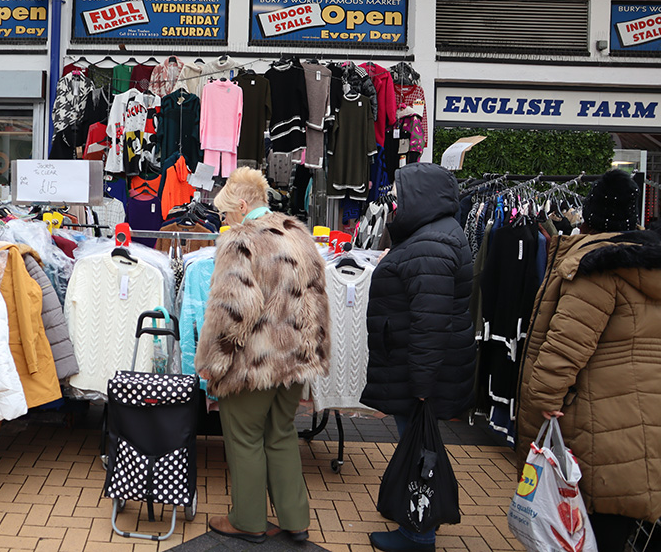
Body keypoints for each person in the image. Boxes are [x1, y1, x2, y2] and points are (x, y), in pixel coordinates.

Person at [516, 168, 661, 550]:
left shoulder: (596, 267)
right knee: (615, 531)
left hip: (596, 424)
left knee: (584, 530)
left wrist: (544, 399)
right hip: (641, 425)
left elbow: (565, 344)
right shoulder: (647, 264)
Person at [195, 167, 332, 543]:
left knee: (244, 437)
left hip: (253, 364)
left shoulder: (242, 241)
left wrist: (213, 362)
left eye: (225, 213)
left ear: (242, 205)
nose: (224, 220)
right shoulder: (298, 234)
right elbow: (317, 300)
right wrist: (312, 354)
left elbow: (232, 310)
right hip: (295, 361)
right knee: (282, 433)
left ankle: (248, 520)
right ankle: (295, 519)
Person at [362, 162, 477, 552]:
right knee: (421, 446)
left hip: (419, 374)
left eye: (402, 193)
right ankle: (422, 516)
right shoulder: (435, 235)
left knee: (419, 449)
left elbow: (430, 322)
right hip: (416, 368)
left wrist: (423, 386)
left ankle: (417, 533)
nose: (395, 201)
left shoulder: (431, 244)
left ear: (421, 196)